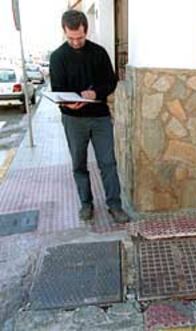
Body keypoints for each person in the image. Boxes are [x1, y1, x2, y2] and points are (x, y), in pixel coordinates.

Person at [50, 10, 129, 223]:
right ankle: (86, 204)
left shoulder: (99, 53)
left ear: (87, 30)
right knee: (79, 164)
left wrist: (95, 93)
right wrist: (69, 104)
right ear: (64, 32)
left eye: (80, 37)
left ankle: (114, 205)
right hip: (72, 119)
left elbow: (111, 82)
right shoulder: (57, 57)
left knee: (108, 163)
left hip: (100, 118)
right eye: (71, 38)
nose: (76, 42)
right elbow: (57, 88)